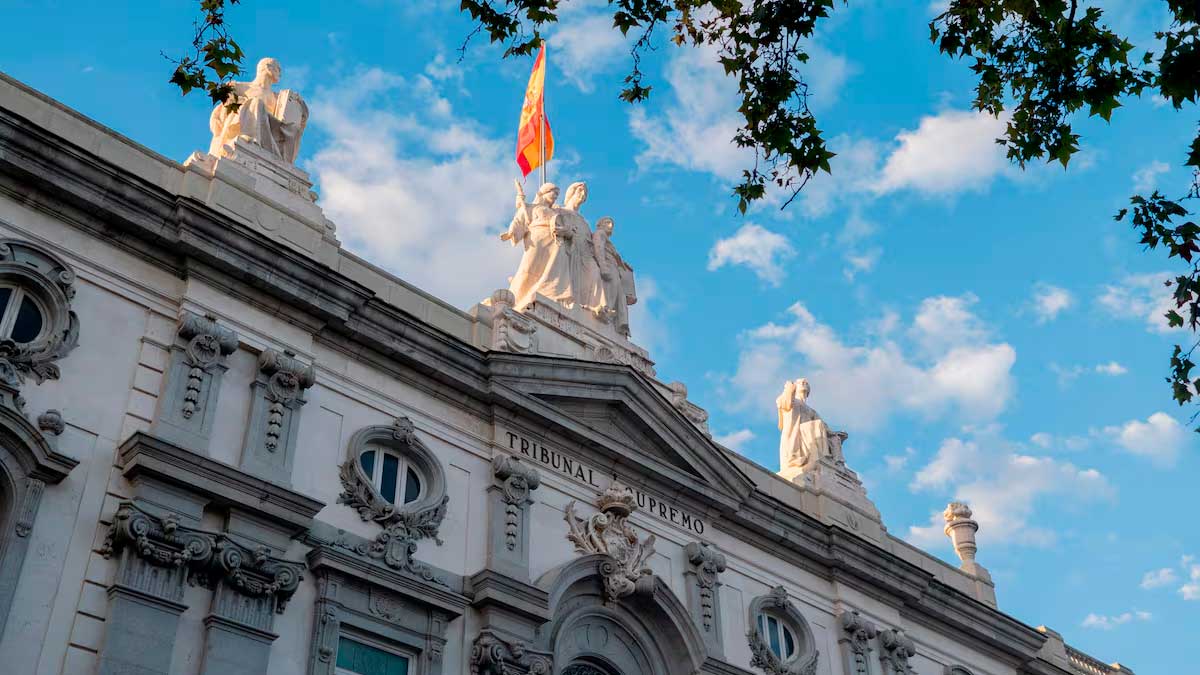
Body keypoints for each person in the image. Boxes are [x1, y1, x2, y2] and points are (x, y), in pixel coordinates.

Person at [208, 57, 306, 163]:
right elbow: (223, 112)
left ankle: (275, 155)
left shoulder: (278, 99)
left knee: (292, 126)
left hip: (271, 131)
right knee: (256, 103)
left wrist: (298, 105)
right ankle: (251, 139)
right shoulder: (240, 87)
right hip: (241, 124)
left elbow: (291, 121)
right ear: (268, 67)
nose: (280, 73)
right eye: (278, 69)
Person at [776, 378, 829, 475]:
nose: (804, 383)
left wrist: (835, 434)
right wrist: (789, 390)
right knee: (817, 425)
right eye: (801, 382)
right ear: (795, 386)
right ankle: (819, 459)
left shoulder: (811, 410)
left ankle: (826, 460)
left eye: (806, 383)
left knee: (825, 430)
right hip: (794, 436)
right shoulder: (792, 399)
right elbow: (784, 403)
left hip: (809, 436)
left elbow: (824, 426)